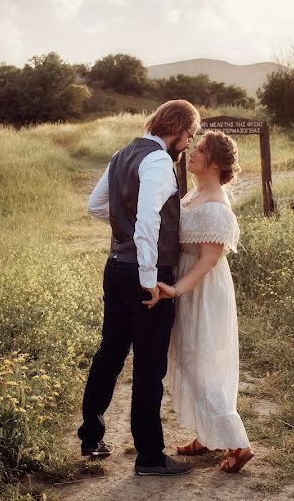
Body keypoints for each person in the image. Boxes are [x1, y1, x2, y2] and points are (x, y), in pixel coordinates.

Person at [79, 99, 201, 476]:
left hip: (115, 267)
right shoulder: (159, 161)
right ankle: (149, 456)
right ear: (179, 130)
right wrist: (149, 279)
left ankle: (91, 436)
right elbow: (148, 221)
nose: (189, 144)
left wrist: (124, 231)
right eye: (190, 136)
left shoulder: (122, 154)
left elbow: (97, 206)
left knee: (111, 352)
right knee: (149, 365)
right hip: (146, 275)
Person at [152, 130, 255, 473]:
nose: (191, 152)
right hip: (185, 282)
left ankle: (239, 444)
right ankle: (207, 434)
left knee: (203, 364)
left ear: (213, 162)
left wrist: (177, 289)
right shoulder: (195, 194)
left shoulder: (217, 207)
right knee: (188, 357)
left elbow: (207, 261)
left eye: (199, 150)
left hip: (202, 290)